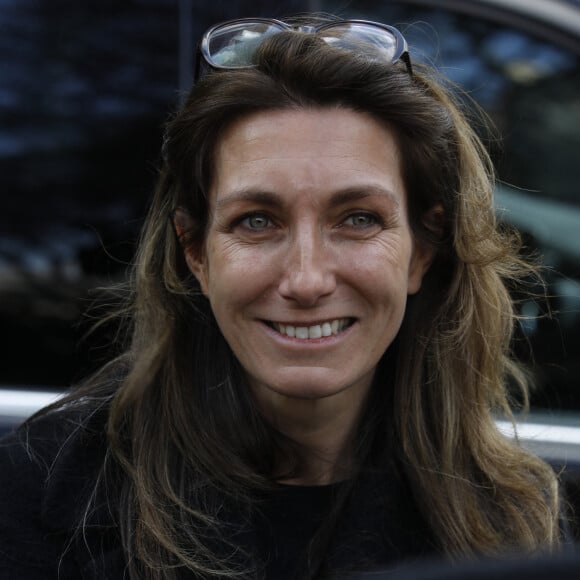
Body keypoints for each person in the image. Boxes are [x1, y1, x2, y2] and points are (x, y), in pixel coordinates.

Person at [0, 15, 569, 580]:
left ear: (422, 250)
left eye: (358, 218)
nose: (306, 280)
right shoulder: (42, 500)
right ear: (194, 252)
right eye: (256, 221)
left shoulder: (513, 520)